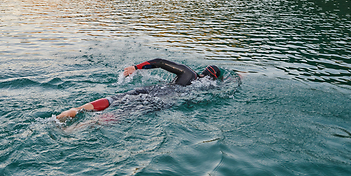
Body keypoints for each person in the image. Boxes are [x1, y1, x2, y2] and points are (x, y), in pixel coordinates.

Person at [56, 58, 226, 120]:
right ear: (214, 78)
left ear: (203, 71)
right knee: (123, 113)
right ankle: (84, 126)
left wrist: (135, 67)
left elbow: (159, 62)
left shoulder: (188, 72)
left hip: (152, 90)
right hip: (162, 100)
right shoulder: (207, 87)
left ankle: (76, 109)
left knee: (117, 98)